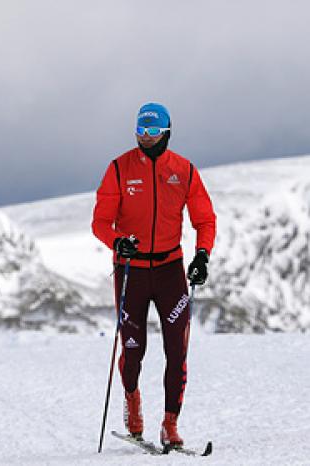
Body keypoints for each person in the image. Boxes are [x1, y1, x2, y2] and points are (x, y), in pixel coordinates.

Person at [91, 102, 216, 448]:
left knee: (177, 349)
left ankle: (170, 425)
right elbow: (100, 222)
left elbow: (205, 219)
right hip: (130, 269)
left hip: (169, 270)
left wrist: (202, 255)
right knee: (134, 349)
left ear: (166, 132)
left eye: (152, 132)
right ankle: (132, 400)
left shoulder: (184, 170)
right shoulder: (119, 168)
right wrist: (117, 241)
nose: (145, 139)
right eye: (140, 131)